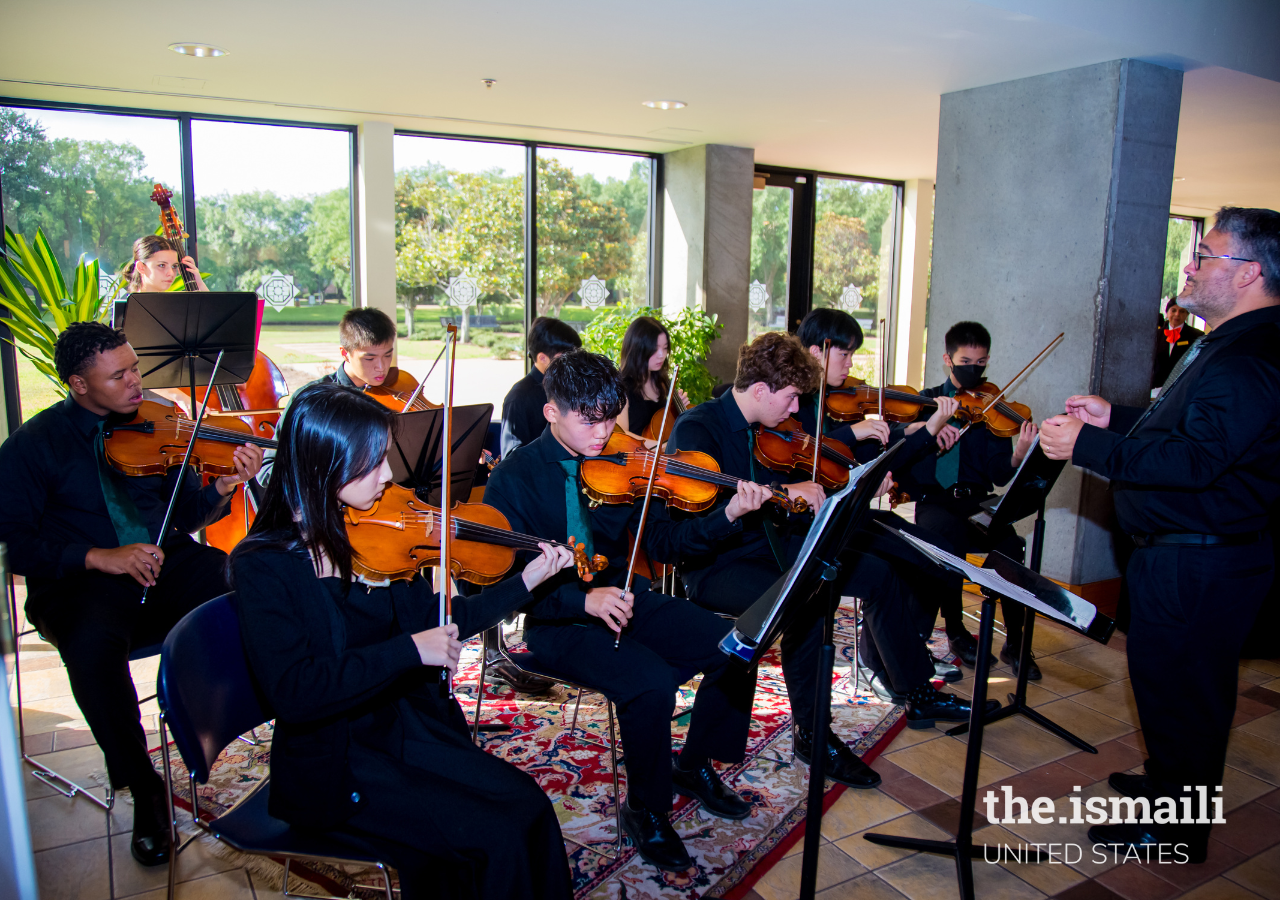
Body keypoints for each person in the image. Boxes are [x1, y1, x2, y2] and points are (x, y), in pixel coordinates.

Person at [229, 383, 573, 899]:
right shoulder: (264, 565)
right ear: (322, 466)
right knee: (493, 837)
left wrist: (525, 582)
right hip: (335, 758)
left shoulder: (370, 535)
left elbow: (445, 624)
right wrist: (410, 650)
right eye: (370, 465)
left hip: (403, 723)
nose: (388, 475)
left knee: (528, 805)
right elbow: (296, 692)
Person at [1040, 207, 1280, 863]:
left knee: (1187, 699)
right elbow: (1191, 427)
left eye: (1207, 255)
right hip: (1181, 560)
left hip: (1201, 566)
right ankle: (1170, 787)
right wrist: (1117, 418)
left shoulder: (1253, 356)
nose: (1191, 266)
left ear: (1250, 272)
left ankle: (1176, 833)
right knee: (1168, 690)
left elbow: (1196, 462)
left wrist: (1090, 445)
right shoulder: (1229, 341)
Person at [482, 350, 766, 873]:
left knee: (735, 644)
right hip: (556, 620)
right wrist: (580, 599)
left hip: (624, 598)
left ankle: (695, 763)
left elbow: (665, 539)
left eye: (612, 418)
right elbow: (507, 587)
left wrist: (727, 514)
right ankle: (647, 809)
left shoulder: (622, 461)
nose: (604, 432)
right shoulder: (513, 480)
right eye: (590, 420)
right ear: (552, 413)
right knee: (650, 681)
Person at [669, 332, 988, 789]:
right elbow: (713, 504)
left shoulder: (771, 428)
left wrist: (847, 489)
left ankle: (908, 692)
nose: (798, 410)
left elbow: (808, 479)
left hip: (775, 546)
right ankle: (767, 744)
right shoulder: (699, 428)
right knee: (804, 605)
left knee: (876, 573)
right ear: (760, 390)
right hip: (719, 562)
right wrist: (782, 495)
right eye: (792, 397)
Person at [0, 322, 263, 867]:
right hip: (80, 583)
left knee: (238, 580)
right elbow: (18, 547)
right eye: (117, 375)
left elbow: (186, 517)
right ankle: (143, 787)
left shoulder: (159, 423)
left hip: (163, 565)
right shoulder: (32, 446)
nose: (134, 382)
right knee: (92, 651)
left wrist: (220, 487)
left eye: (135, 368)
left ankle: (289, 719)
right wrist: (99, 556)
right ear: (78, 384)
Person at [791, 308, 967, 695]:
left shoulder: (823, 400)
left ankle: (897, 658)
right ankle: (894, 667)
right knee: (907, 561)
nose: (851, 364)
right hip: (817, 527)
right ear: (817, 352)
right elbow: (808, 458)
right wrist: (854, 432)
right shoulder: (795, 403)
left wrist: (917, 431)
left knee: (934, 552)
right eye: (845, 354)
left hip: (847, 514)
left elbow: (870, 459)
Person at [891, 321, 1039, 676]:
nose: (974, 369)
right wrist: (930, 431)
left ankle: (1016, 642)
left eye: (982, 362)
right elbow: (900, 450)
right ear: (948, 359)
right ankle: (956, 630)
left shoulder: (992, 407)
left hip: (976, 501)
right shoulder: (926, 402)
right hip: (935, 502)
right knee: (949, 538)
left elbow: (1000, 474)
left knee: (1010, 544)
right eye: (966, 360)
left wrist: (1018, 454)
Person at [499, 316, 581, 458]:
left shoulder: (571, 387)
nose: (575, 362)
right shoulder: (519, 397)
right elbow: (513, 457)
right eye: (567, 356)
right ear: (542, 358)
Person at [615, 315, 688, 437]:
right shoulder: (620, 387)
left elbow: (665, 430)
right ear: (637, 349)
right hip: (634, 455)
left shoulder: (662, 382)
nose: (661, 355)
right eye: (654, 349)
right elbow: (622, 435)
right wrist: (661, 448)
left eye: (665, 348)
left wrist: (675, 411)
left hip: (662, 455)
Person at [308, 306, 410, 391]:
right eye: (370, 359)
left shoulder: (400, 385)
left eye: (387, 355)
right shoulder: (314, 399)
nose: (381, 367)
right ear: (345, 354)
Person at [125, 235, 208, 293]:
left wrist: (199, 283)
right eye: (161, 265)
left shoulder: (178, 304)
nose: (171, 273)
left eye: (174, 266)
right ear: (141, 267)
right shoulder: (127, 309)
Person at [1152, 298, 1204, 388]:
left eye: (1182, 311)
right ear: (1167, 312)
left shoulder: (1197, 336)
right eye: (1173, 310)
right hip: (1155, 386)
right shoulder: (1154, 335)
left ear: (1187, 314)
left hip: (1182, 386)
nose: (1177, 314)